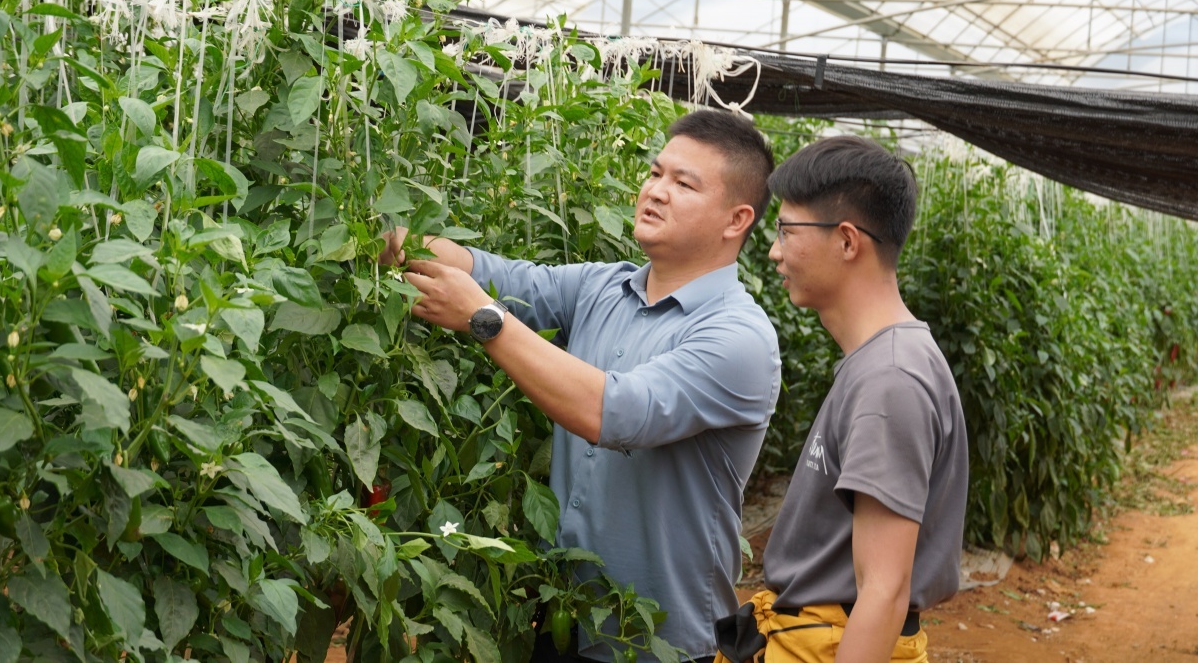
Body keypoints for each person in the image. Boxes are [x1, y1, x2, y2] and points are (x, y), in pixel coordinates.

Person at [378, 110, 781, 662]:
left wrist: (484, 318)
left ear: (736, 220)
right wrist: (396, 240)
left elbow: (615, 412)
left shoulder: (739, 337)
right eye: (656, 173)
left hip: (656, 643)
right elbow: (489, 271)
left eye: (684, 184)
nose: (656, 191)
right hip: (562, 616)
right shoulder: (602, 288)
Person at [714, 136, 968, 663]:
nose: (774, 250)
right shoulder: (880, 362)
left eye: (787, 230)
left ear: (848, 241)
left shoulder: (890, 379)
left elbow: (883, 591)